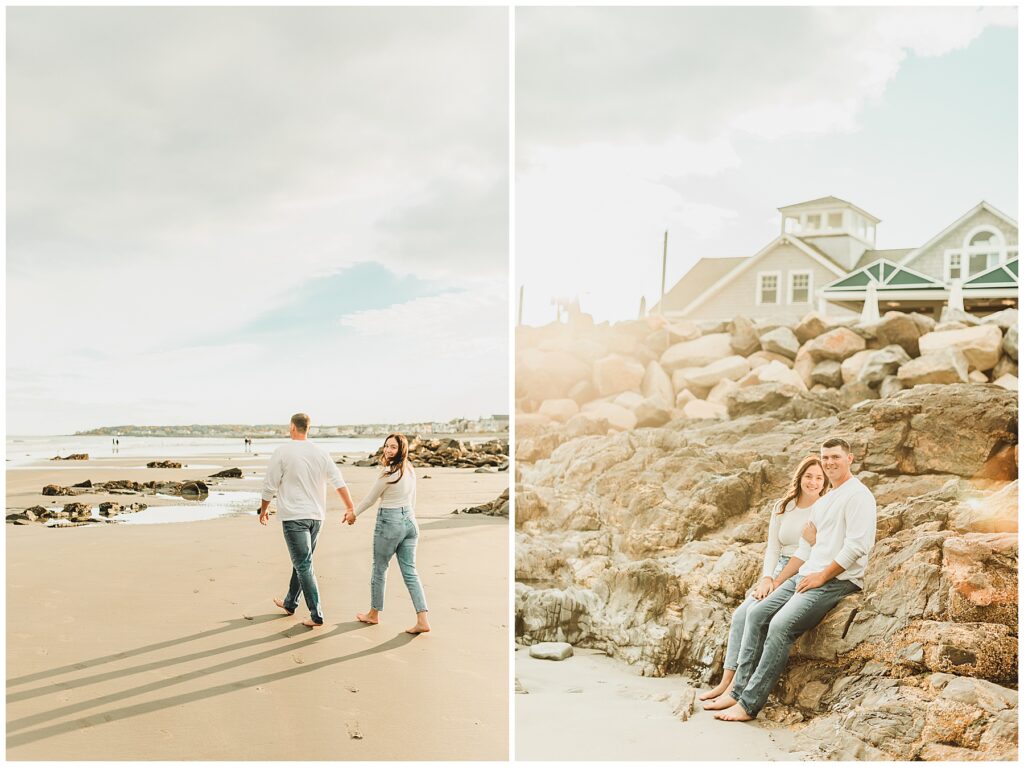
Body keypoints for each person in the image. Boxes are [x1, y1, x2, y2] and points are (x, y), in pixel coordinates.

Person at [714, 437, 877, 721]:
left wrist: (821, 576)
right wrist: (775, 580)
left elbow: (857, 547)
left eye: (836, 457)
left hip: (837, 579)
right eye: (826, 457)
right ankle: (736, 691)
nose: (829, 463)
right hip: (806, 572)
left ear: (849, 459)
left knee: (779, 626)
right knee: (756, 613)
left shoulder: (858, 495)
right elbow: (804, 549)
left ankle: (749, 704)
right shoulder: (825, 500)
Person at [700, 456, 828, 708]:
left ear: (824, 483)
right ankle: (726, 681)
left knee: (756, 615)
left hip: (802, 568)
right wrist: (766, 578)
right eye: (809, 476)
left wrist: (779, 581)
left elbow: (814, 551)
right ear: (800, 477)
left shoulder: (824, 508)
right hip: (779, 565)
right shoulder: (783, 506)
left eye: (819, 478)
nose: (813, 482)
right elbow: (772, 547)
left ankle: (738, 687)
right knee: (740, 616)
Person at [259, 413, 355, 627]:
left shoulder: (283, 451)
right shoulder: (320, 452)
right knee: (302, 562)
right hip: (316, 518)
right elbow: (338, 482)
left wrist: (264, 509)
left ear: (292, 427)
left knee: (303, 564)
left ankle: (316, 614)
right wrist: (349, 507)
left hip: (294, 518)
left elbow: (269, 485)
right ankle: (290, 603)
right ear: (307, 428)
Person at [352, 433, 430, 635]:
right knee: (410, 572)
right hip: (410, 522)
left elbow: (370, 499)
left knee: (379, 568)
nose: (388, 450)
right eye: (386, 446)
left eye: (393, 447)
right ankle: (422, 619)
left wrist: (353, 514)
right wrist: (409, 518)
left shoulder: (388, 473)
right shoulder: (410, 469)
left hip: (390, 522)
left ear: (401, 449)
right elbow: (412, 498)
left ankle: (373, 614)